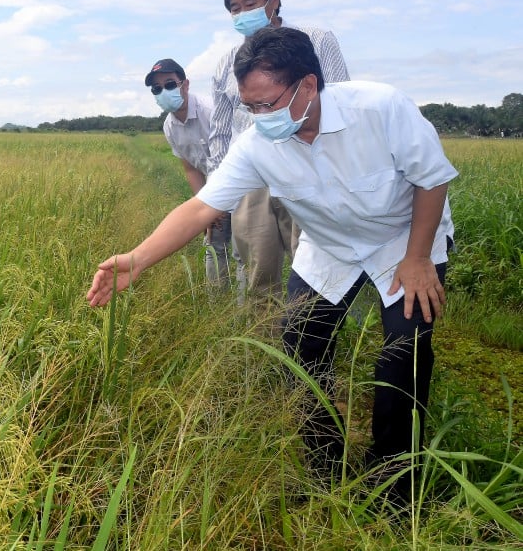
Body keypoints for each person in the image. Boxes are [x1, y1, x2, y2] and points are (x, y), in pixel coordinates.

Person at [88, 27, 457, 505]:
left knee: (404, 351)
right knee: (299, 346)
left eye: (267, 104)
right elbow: (201, 207)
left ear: (307, 85)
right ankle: (324, 469)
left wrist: (417, 258)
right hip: (329, 246)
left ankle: (393, 483)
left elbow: (431, 181)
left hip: (403, 237)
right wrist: (137, 259)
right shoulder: (257, 143)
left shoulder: (380, 108)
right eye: (250, 106)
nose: (259, 117)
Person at [209, 0, 350, 301]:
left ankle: (312, 344)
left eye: (249, 3)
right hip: (253, 177)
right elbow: (220, 134)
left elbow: (339, 100)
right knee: (257, 269)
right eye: (235, 9)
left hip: (307, 169)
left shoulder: (315, 41)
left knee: (317, 264)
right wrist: (220, 192)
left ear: (274, 0)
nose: (243, 13)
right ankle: (264, 347)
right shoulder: (225, 64)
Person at [145, 58, 230, 288]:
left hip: (241, 187)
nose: (164, 91)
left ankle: (247, 311)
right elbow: (191, 168)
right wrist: (205, 206)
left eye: (170, 84)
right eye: (157, 88)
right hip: (213, 193)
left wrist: (217, 200)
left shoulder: (210, 111)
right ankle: (219, 307)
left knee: (244, 252)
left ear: (185, 84)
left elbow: (232, 158)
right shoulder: (169, 127)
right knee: (212, 245)